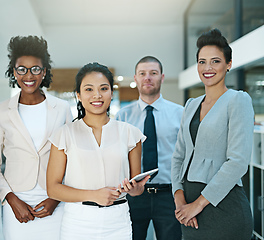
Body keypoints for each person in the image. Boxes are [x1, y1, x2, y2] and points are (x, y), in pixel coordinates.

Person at [46, 62, 151, 240]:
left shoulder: (130, 133)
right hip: (78, 222)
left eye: (103, 88)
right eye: (89, 89)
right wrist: (94, 195)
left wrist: (134, 188)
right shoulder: (64, 134)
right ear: (78, 95)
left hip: (118, 222)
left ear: (111, 93)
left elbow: (137, 188)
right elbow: (53, 189)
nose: (97, 95)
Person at [171, 28, 254, 240]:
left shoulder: (238, 100)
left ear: (228, 64)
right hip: (189, 212)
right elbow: (178, 156)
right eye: (202, 62)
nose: (207, 68)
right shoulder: (191, 105)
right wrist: (180, 201)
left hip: (223, 207)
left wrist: (197, 205)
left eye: (215, 61)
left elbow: (237, 162)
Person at [0, 35, 72, 240]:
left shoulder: (61, 108)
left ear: (44, 72)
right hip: (16, 201)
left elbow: (72, 158)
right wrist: (10, 199)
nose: (29, 75)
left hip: (54, 199)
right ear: (14, 72)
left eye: (35, 68)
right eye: (22, 69)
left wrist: (55, 198)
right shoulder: (1, 111)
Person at [115, 56, 183, 240]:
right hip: (133, 195)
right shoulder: (122, 116)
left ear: (162, 77)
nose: (148, 78)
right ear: (135, 78)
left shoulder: (181, 114)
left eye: (153, 73)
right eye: (142, 73)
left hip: (170, 195)